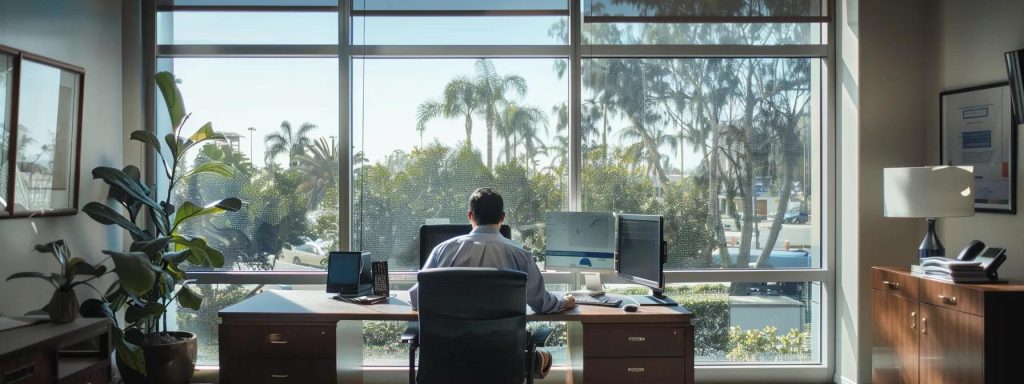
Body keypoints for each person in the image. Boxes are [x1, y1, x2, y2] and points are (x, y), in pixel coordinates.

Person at [410, 187, 576, 314]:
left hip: (450, 352)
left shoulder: (442, 251)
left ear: (470, 216)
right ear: (502, 218)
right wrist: (564, 301)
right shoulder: (521, 256)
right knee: (542, 357)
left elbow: (417, 299)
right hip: (503, 352)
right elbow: (541, 304)